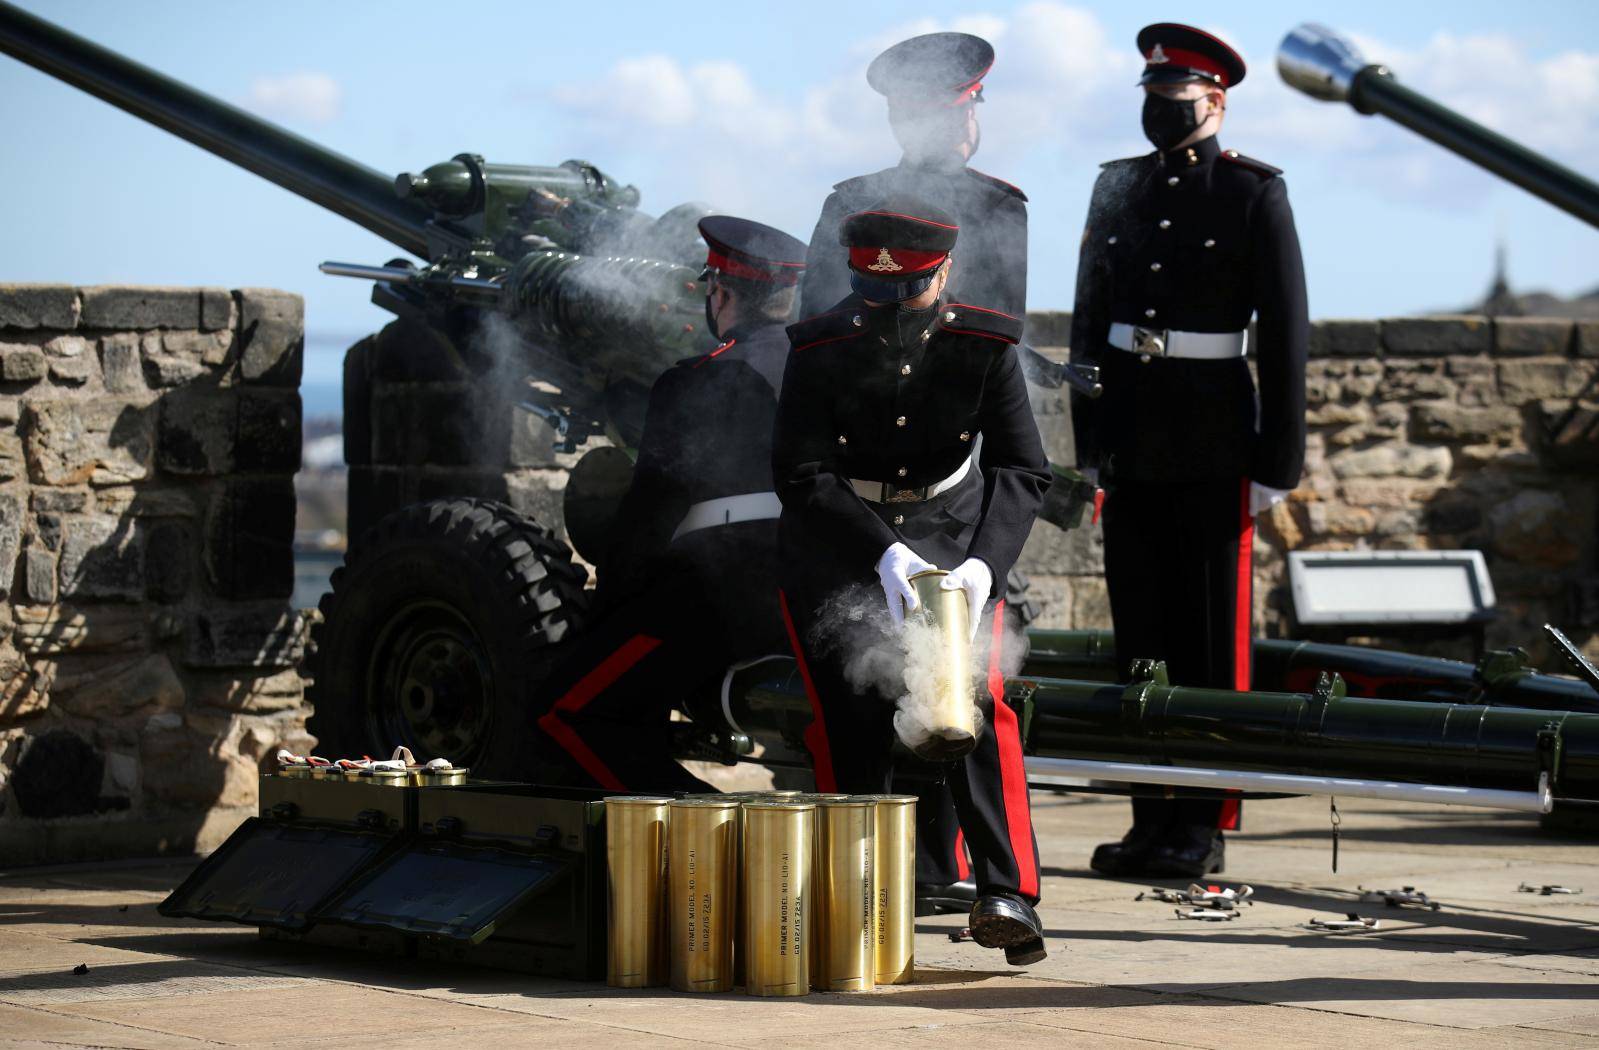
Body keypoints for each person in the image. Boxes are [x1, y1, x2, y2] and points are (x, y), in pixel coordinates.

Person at [774, 198, 1052, 964]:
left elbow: (1024, 470)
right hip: (841, 539)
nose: (893, 308)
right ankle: (851, 898)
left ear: (944, 272)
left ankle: (1008, 892)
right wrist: (880, 554)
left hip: (953, 536)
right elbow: (800, 473)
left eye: (912, 289)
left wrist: (979, 567)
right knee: (848, 718)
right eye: (875, 292)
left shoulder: (982, 344)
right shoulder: (818, 346)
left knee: (974, 699)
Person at [1068, 24, 1309, 878]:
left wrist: (1275, 462)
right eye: (1151, 102)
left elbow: (1283, 336)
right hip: (1132, 434)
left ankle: (1200, 824)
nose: (1160, 116)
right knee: (1141, 635)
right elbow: (1087, 320)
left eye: (1175, 103)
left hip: (1213, 440)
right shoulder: (1116, 188)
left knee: (1208, 641)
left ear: (1214, 101)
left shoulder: (1252, 193)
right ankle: (1148, 816)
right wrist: (1088, 442)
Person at [800, 29, 1031, 912]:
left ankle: (946, 866)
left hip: (955, 472)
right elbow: (819, 328)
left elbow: (992, 343)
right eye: (962, 107)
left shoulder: (997, 206)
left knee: (953, 678)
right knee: (870, 681)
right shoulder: (848, 205)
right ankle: (913, 871)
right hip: (863, 467)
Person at [534, 216, 806, 793]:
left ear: (722, 294)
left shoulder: (696, 381)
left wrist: (606, 610)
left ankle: (714, 829)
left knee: (565, 712)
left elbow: (650, 516)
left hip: (724, 595)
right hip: (810, 585)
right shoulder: (824, 371)